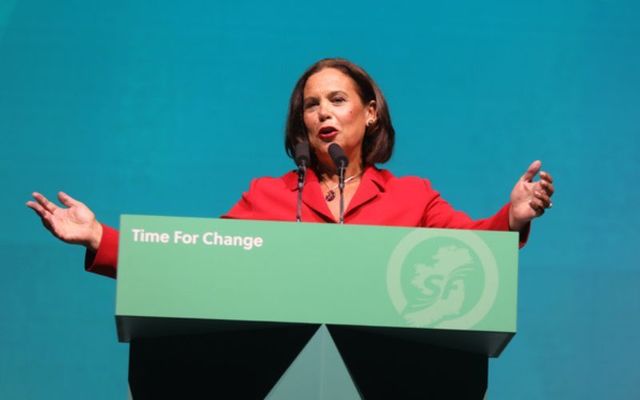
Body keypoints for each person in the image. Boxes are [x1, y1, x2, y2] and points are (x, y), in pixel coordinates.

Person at [27, 58, 554, 280]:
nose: (322, 112)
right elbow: (195, 263)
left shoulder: (413, 196)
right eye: (311, 104)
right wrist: (100, 237)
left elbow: (471, 250)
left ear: (370, 112)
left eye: (338, 99)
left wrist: (513, 216)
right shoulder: (270, 195)